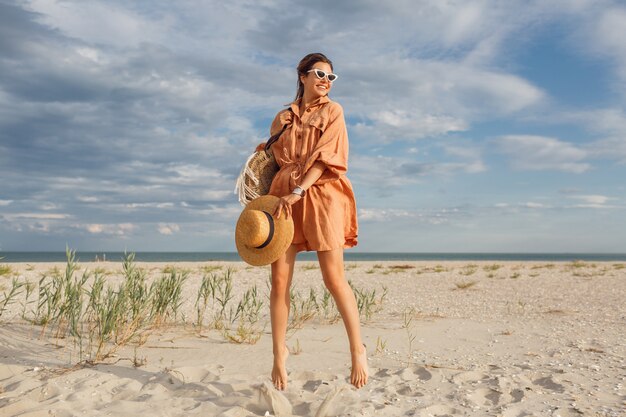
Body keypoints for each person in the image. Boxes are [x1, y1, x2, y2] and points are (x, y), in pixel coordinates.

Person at [256, 52, 367, 390]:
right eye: (319, 74)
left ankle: (357, 350)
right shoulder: (282, 117)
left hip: (321, 194)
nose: (325, 81)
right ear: (302, 76)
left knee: (334, 279)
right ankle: (279, 353)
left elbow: (327, 157)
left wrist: (300, 190)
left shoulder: (334, 111)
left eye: (331, 77)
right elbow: (272, 162)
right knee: (279, 281)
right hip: (283, 197)